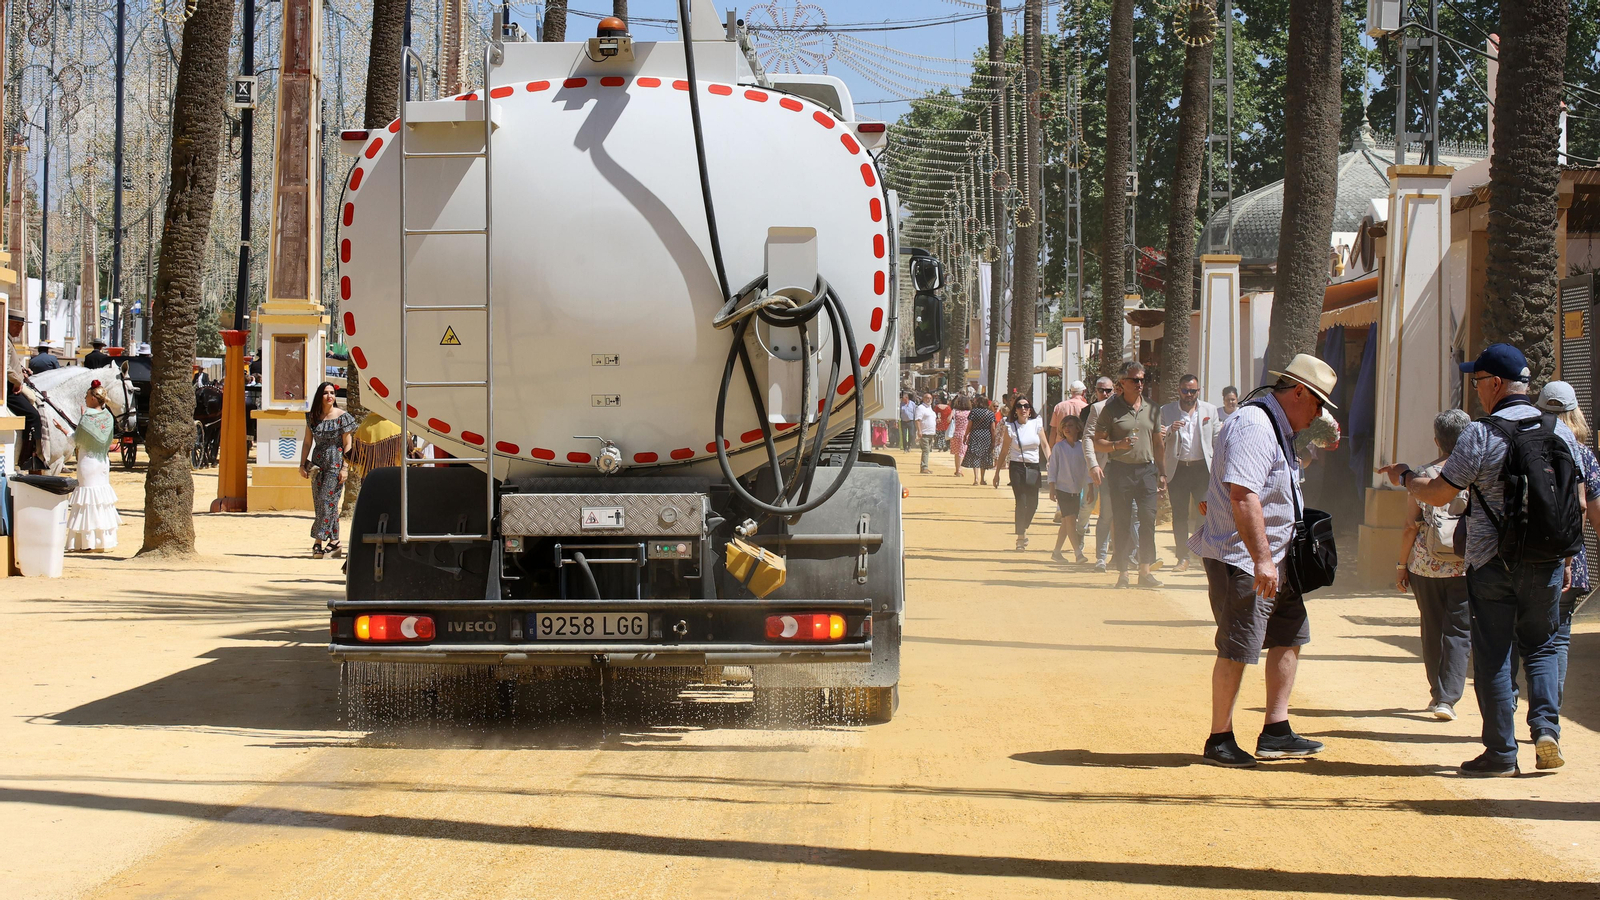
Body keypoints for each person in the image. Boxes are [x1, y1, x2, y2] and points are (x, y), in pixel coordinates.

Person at [1379, 343, 1580, 776]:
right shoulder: (1559, 431)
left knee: (1494, 652)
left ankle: (1501, 753)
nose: (1477, 392)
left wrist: (1407, 477)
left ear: (1495, 384)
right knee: (1542, 646)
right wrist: (1564, 556)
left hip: (1491, 562)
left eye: (1478, 382)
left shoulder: (1481, 434)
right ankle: (1546, 730)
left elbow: (1439, 493)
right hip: (1546, 559)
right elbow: (1574, 501)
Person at [1192, 355, 1338, 767]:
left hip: (1277, 555)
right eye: (1318, 404)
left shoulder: (1278, 426)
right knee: (1239, 645)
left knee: (1291, 633)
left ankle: (1276, 729)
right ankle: (1219, 738)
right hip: (1245, 558)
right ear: (1299, 393)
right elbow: (1243, 495)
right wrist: (1262, 561)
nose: (1319, 413)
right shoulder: (1256, 425)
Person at [1395, 409, 1472, 721]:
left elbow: (1410, 526)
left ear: (1437, 440)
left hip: (1425, 565)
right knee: (1459, 629)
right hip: (1466, 565)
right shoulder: (1476, 474)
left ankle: (1438, 693)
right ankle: (1449, 699)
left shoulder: (1422, 476)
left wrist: (1401, 565)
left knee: (1431, 627)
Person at [1533, 381, 1600, 739]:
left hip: (1525, 556)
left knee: (1518, 635)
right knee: (1557, 638)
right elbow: (1593, 509)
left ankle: (1510, 709)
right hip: (1571, 557)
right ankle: (1549, 721)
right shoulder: (1584, 454)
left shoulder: (1526, 444)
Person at [1092, 361, 1167, 589]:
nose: (1140, 384)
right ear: (1122, 383)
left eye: (1143, 379)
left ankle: (1144, 571)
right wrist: (1117, 445)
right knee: (1123, 522)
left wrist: (1162, 473)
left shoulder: (1153, 408)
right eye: (1135, 380)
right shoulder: (1110, 409)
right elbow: (1098, 442)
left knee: (1148, 521)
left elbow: (1158, 443)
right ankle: (1123, 572)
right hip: (1120, 471)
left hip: (1146, 471)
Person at [1161, 374, 1220, 573]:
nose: (1188, 394)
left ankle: (1197, 551)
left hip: (1202, 470)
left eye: (1192, 391)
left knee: (1204, 513)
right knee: (1179, 515)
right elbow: (1158, 436)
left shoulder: (1210, 410)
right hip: (1178, 470)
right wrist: (1170, 429)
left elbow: (1217, 439)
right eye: (1185, 390)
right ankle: (1182, 557)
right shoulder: (1166, 411)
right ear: (1179, 390)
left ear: (1198, 391)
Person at [299, 381, 358, 559]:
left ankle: (317, 542)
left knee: (326, 501)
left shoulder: (343, 417)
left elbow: (348, 443)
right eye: (326, 392)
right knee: (323, 504)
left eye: (332, 392)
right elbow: (307, 442)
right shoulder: (312, 418)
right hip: (317, 465)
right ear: (320, 396)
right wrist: (302, 464)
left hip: (336, 463)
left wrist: (345, 468)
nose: (330, 396)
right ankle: (335, 543)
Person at [65, 380, 121, 551]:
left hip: (88, 462)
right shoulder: (108, 417)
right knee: (101, 499)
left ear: (94, 399)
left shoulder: (87, 417)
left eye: (87, 395)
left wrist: (64, 430)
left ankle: (86, 542)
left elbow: (76, 439)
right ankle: (103, 541)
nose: (85, 397)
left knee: (87, 500)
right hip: (102, 461)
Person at [995, 396, 1050, 550]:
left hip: (1033, 467)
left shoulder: (1036, 423)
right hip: (1017, 467)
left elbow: (1045, 445)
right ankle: (1020, 537)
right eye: (1019, 406)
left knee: (1033, 504)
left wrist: (1050, 461)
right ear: (1015, 410)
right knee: (1021, 501)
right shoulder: (1011, 427)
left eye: (1026, 406)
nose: (1023, 409)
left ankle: (1022, 527)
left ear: (1030, 409)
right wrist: (997, 472)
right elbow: (1004, 450)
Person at [1082, 376, 1118, 573]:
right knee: (1106, 514)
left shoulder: (1128, 406)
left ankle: (1128, 555)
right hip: (1107, 467)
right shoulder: (1096, 409)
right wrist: (1093, 465)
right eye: (1101, 390)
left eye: (1108, 390)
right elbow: (1087, 438)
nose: (1105, 394)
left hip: (1128, 467)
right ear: (1095, 391)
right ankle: (1101, 558)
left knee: (1132, 514)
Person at [1047, 414, 1090, 563]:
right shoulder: (1059, 447)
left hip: (1076, 489)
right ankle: (1078, 553)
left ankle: (1056, 552)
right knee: (1070, 519)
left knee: (1067, 522)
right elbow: (1052, 469)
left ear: (1078, 428)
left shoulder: (1082, 447)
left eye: (1070, 425)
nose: (1067, 428)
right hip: (1062, 489)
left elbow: (1087, 469)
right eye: (1064, 426)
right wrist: (1052, 488)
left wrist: (1089, 487)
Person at [6, 336, 43, 470]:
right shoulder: (4, 338)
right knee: (32, 415)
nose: (20, 329)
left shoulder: (8, 338)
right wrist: (18, 381)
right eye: (18, 324)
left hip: (14, 382)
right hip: (9, 388)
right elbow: (6, 366)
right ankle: (26, 459)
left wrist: (21, 372)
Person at [963, 396, 995, 485]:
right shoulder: (990, 413)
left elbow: (969, 426)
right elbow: (993, 428)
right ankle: (982, 479)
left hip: (975, 435)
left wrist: (965, 435)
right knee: (984, 456)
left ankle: (976, 478)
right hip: (986, 436)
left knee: (975, 456)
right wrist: (993, 440)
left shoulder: (973, 412)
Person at [915, 391, 938, 474]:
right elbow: (917, 420)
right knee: (926, 450)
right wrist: (919, 431)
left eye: (930, 398)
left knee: (927, 451)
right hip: (924, 433)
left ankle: (925, 466)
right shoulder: (921, 408)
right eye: (927, 398)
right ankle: (924, 467)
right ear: (923, 399)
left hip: (931, 433)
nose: (929, 399)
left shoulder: (930, 408)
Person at [950, 394, 971, 477]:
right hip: (964, 433)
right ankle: (959, 470)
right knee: (962, 452)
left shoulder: (955, 411)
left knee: (956, 453)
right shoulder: (969, 413)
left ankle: (957, 469)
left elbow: (948, 419)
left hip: (955, 433)